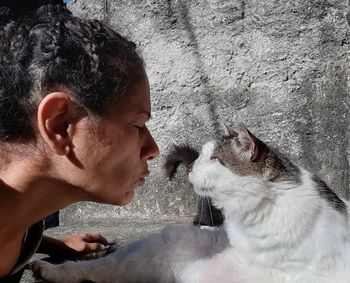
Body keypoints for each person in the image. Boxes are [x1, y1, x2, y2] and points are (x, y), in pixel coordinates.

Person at [0, 0, 159, 281]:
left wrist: (56, 245)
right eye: (137, 125)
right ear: (60, 125)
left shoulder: (24, 222)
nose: (153, 150)